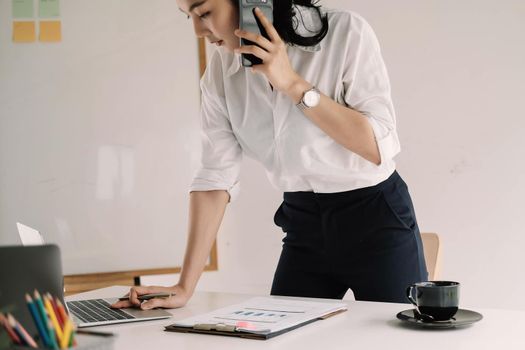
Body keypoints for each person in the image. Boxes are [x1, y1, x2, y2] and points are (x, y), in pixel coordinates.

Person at [111, 0, 428, 311]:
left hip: (375, 218)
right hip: (304, 225)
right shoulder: (221, 74)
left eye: (204, 12)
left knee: (397, 338)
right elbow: (215, 176)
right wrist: (184, 286)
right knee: (279, 338)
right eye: (188, 17)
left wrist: (290, 82)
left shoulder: (345, 33)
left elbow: (376, 147)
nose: (197, 30)